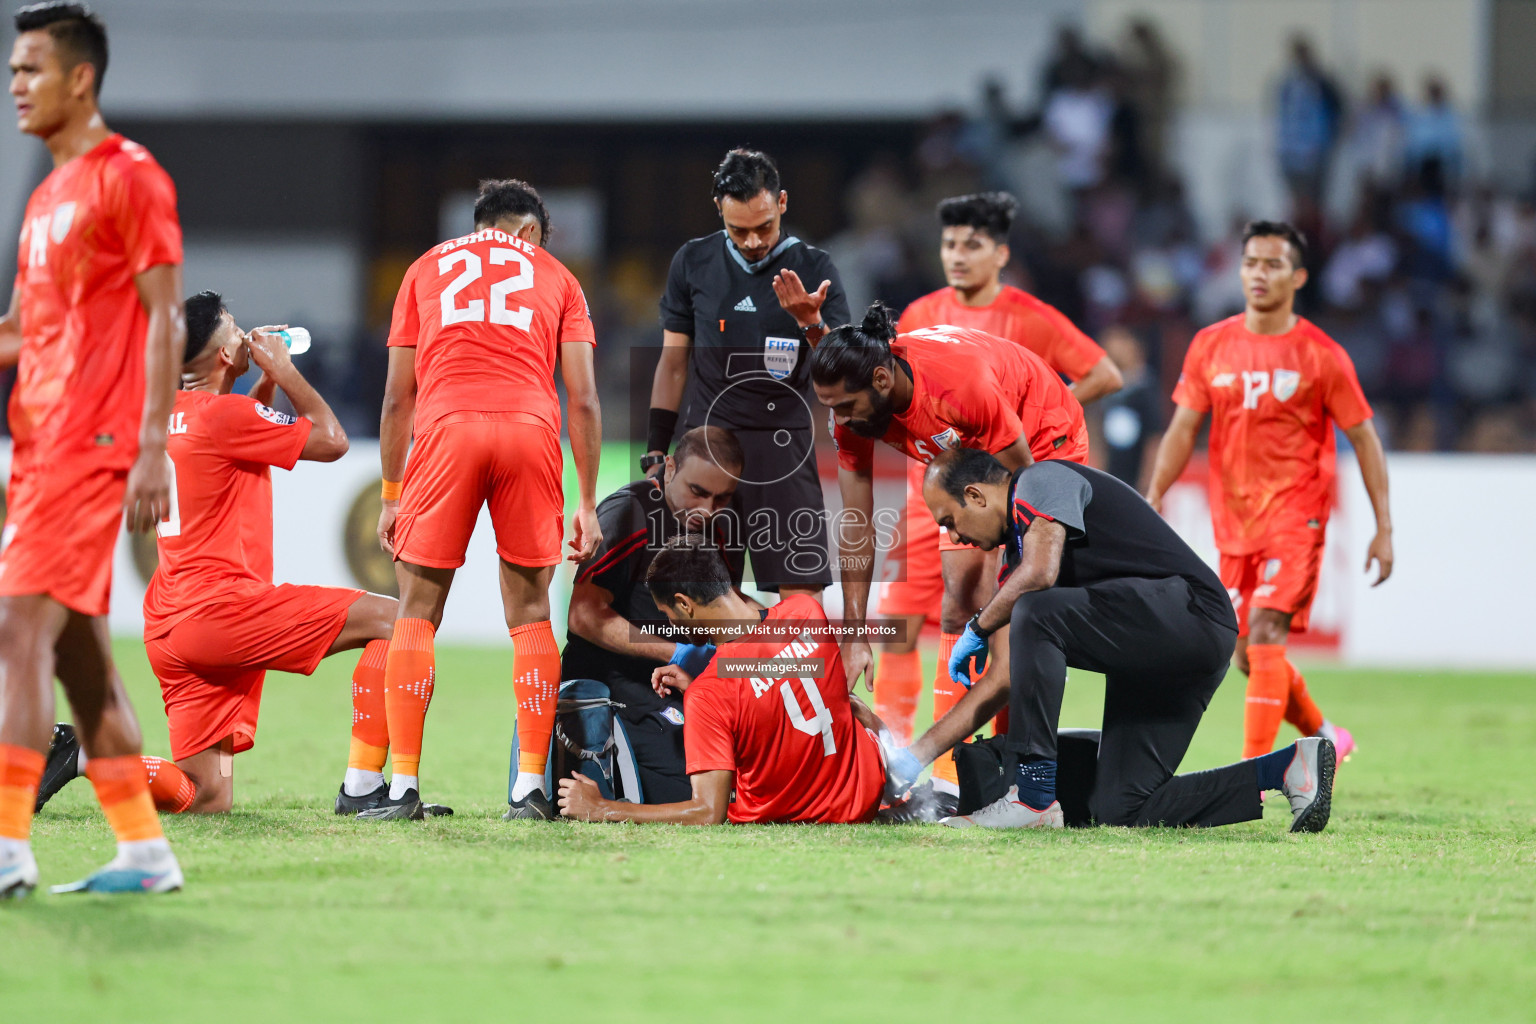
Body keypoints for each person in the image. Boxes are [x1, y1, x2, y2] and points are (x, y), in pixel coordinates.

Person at [33, 292, 409, 816]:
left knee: (202, 795)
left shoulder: (166, 415)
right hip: (221, 611)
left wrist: (267, 385)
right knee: (397, 621)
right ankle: (364, 787)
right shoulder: (227, 416)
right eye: (234, 330)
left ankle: (83, 753)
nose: (245, 336)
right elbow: (333, 439)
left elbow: (230, 432)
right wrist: (285, 371)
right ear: (224, 357)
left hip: (170, 625)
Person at [886, 448, 1336, 833]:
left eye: (950, 521)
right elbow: (1004, 676)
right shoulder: (1013, 566)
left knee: (1033, 609)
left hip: (1193, 617)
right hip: (1155, 651)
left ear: (975, 495)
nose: (953, 536)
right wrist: (914, 757)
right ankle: (1287, 767)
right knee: (1121, 808)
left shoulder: (1041, 481)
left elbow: (1041, 575)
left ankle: (1033, 796)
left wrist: (979, 626)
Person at [0, 2, 185, 897]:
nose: (15, 85)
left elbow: (167, 314)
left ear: (81, 78)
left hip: (91, 440)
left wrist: (151, 445)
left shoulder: (128, 176)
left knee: (14, 629)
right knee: (79, 662)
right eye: (11, 70)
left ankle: (6, 848)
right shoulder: (43, 197)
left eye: (31, 68)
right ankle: (145, 854)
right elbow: (25, 331)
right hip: (38, 444)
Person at [871, 192, 1121, 789]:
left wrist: (1036, 417)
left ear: (1000, 253)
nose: (958, 256)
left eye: (972, 245)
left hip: (984, 494)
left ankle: (960, 769)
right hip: (924, 492)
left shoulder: (1028, 316)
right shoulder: (920, 311)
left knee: (978, 611)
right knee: (898, 617)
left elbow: (1104, 373)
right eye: (950, 244)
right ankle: (883, 749)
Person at [376, 178, 602, 820]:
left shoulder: (424, 267)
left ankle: (402, 790)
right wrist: (586, 501)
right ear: (530, 232)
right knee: (530, 613)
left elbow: (399, 396)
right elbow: (582, 397)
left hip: (447, 429)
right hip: (530, 430)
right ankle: (531, 789)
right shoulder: (558, 275)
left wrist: (393, 494)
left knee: (416, 611)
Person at [1146, 221, 1393, 764]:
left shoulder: (1321, 354)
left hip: (1296, 513)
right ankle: (1324, 731)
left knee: (1266, 629)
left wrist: (1384, 528)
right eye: (1251, 262)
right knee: (1244, 653)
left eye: (1273, 264)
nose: (1259, 273)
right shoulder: (1210, 345)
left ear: (1298, 276)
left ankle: (1252, 777)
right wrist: (1154, 495)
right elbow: (1183, 429)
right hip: (1234, 520)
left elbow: (1364, 438)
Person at [808, 302, 1088, 780]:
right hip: (964, 455)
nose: (838, 420)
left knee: (1011, 609)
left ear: (880, 381)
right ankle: (949, 777)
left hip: (1040, 441)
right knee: (960, 602)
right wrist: (853, 636)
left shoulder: (958, 387)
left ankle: (1014, 770)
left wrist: (1006, 595)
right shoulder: (854, 411)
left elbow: (1025, 487)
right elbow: (856, 522)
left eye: (845, 407)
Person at [556, 540, 886, 825]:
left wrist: (602, 808)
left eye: (667, 612)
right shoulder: (807, 611)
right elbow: (778, 679)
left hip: (799, 814)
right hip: (866, 795)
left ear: (684, 604)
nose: (670, 622)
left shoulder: (710, 695)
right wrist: (708, 691)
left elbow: (707, 812)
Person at [647, 148, 849, 599]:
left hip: (783, 450)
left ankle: (792, 673)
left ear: (782, 203)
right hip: (707, 450)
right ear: (718, 207)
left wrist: (811, 325)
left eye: (764, 227)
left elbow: (844, 371)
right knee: (696, 599)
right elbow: (673, 362)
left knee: (801, 603)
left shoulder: (816, 268)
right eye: (739, 230)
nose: (754, 241)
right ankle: (703, 674)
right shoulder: (692, 262)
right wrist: (656, 448)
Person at [565, 425, 752, 802]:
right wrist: (678, 653)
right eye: (697, 492)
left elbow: (728, 600)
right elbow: (583, 616)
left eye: (722, 497)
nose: (708, 510)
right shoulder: (628, 512)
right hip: (616, 680)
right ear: (669, 468)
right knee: (694, 785)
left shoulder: (726, 523)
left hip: (688, 680)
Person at [1095, 326, 1162, 489]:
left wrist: (1148, 480)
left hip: (1135, 476)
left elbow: (1154, 438)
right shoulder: (1103, 387)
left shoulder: (1145, 387)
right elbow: (1096, 433)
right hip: (1109, 475)